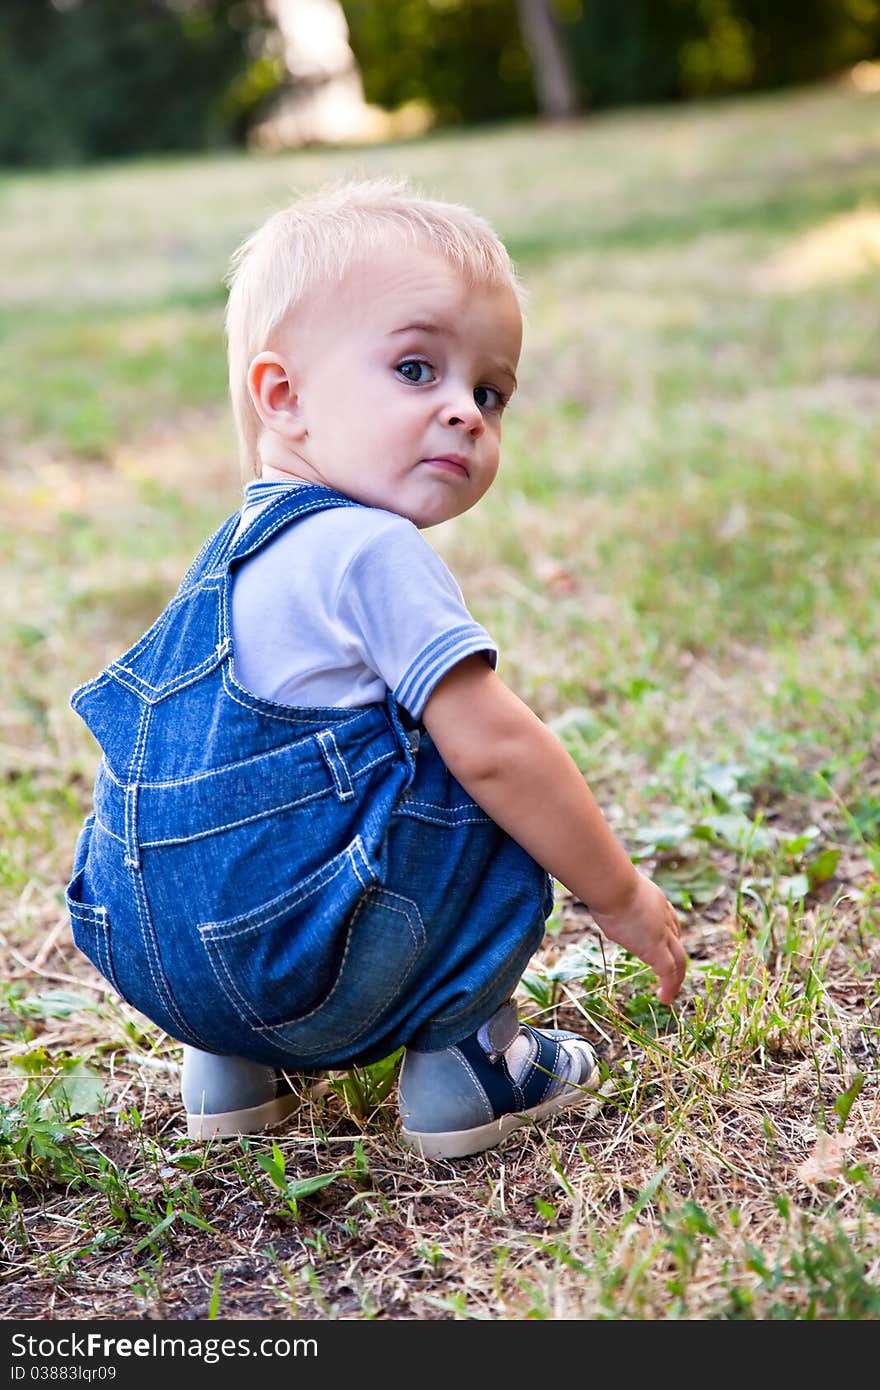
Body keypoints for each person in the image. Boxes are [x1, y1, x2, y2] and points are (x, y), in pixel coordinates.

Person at [66, 176, 686, 1161]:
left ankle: (228, 1075)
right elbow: (498, 754)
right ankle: (468, 1060)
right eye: (414, 368)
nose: (466, 414)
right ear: (286, 396)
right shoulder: (369, 549)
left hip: (161, 966)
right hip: (312, 968)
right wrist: (615, 894)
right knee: (491, 768)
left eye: (488, 391)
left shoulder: (230, 555)